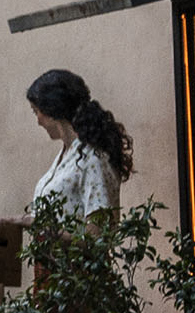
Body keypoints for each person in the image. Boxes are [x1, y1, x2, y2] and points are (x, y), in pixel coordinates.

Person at [23, 67, 132, 221]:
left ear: (52, 110)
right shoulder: (67, 154)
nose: (38, 122)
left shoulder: (93, 158)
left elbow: (98, 235)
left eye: (36, 112)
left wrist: (38, 227)